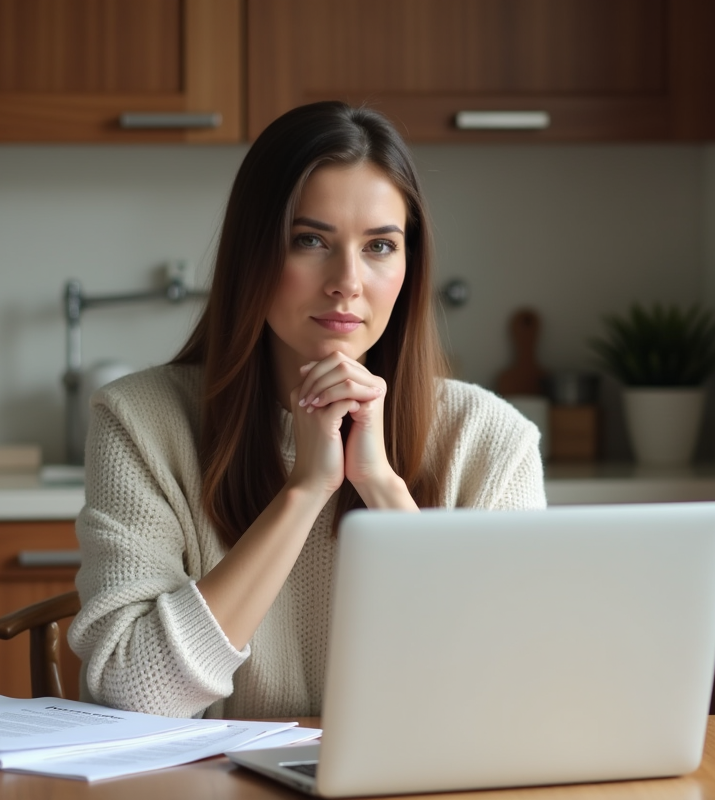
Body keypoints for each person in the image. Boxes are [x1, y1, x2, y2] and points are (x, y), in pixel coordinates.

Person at [67, 101, 546, 720]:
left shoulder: (491, 440)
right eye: (310, 240)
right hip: (214, 775)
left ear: (409, 265)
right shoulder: (140, 422)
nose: (347, 281)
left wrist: (380, 486)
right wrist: (305, 489)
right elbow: (133, 694)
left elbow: (511, 688)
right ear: (254, 253)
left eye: (379, 245)